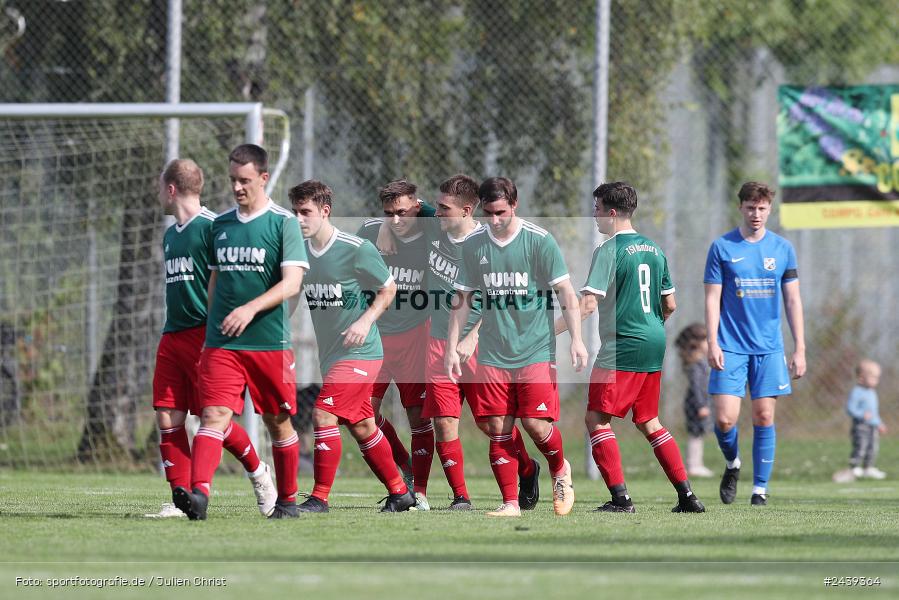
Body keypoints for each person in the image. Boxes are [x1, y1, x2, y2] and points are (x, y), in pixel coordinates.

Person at [377, 174, 542, 511]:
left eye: (443, 208)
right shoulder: (434, 224)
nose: (435, 212)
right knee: (443, 420)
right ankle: (460, 497)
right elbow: (405, 206)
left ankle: (528, 467)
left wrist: (473, 335)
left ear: (466, 210)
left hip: (481, 345)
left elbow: (498, 296)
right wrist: (383, 224)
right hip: (439, 341)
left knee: (491, 423)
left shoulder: (485, 244)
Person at [172, 145, 308, 520]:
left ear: (264, 178)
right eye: (232, 179)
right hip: (222, 343)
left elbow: (292, 283)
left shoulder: (283, 223)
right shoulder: (221, 225)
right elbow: (215, 279)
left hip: (269, 343)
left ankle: (288, 501)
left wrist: (250, 308)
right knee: (213, 414)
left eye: (245, 180)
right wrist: (210, 328)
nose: (237, 187)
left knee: (277, 422)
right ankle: (199, 497)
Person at [447, 177, 587, 517]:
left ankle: (560, 470)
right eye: (489, 213)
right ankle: (510, 503)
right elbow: (463, 299)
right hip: (494, 351)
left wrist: (578, 340)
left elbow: (567, 294)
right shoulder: (474, 245)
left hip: (535, 349)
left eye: (501, 213)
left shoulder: (539, 242)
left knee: (536, 425)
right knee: (497, 425)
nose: (495, 220)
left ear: (515, 205)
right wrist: (452, 346)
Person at [561, 182, 704, 514]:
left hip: (622, 345)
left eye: (597, 209)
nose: (593, 216)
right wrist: (649, 325)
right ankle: (687, 497)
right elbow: (670, 304)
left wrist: (550, 330)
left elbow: (586, 306)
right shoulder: (654, 249)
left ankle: (620, 499)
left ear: (612, 213)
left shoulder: (608, 249)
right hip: (653, 341)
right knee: (649, 420)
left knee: (597, 419)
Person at [149, 158, 277, 519]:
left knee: (214, 419)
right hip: (172, 336)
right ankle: (181, 498)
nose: (158, 193)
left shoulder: (211, 228)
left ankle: (259, 474)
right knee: (167, 418)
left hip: (208, 336)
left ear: (171, 188)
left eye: (161, 186)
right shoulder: (171, 233)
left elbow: (229, 282)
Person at [289, 180, 415, 513]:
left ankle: (319, 497)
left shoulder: (355, 248)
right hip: (331, 354)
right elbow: (291, 294)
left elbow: (389, 289)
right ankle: (401, 492)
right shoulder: (299, 252)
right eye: (295, 212)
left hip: (362, 353)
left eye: (306, 212)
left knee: (323, 414)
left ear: (325, 211)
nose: (299, 219)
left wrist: (364, 321)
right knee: (363, 426)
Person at [704, 181, 806, 507]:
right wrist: (712, 342)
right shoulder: (722, 247)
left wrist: (800, 348)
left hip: (769, 348)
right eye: (751, 207)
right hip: (730, 345)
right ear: (741, 208)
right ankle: (733, 463)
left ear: (770, 209)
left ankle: (759, 489)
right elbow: (711, 298)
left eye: (762, 208)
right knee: (725, 420)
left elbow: (792, 300)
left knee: (763, 416)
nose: (756, 214)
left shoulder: (782, 249)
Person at [356, 180, 433, 509]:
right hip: (376, 336)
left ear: (417, 205)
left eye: (403, 212)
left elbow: (449, 213)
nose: (396, 220)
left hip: (416, 334)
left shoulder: (432, 230)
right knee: (363, 412)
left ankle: (422, 491)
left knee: (418, 415)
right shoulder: (371, 232)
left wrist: (416, 209)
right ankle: (403, 465)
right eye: (389, 214)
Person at [675, 323, 714, 478]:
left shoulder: (700, 362)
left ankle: (697, 464)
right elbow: (697, 387)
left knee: (698, 434)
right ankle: (693, 465)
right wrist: (701, 405)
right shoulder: (696, 365)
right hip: (697, 404)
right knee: (695, 434)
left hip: (700, 403)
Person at [846, 359, 886, 479]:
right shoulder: (857, 392)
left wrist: (879, 423)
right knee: (860, 446)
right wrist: (861, 414)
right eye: (873, 378)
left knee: (872, 447)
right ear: (861, 378)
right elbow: (850, 408)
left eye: (877, 378)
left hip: (872, 426)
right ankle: (855, 467)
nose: (876, 381)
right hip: (860, 426)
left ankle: (869, 467)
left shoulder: (872, 392)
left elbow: (874, 412)